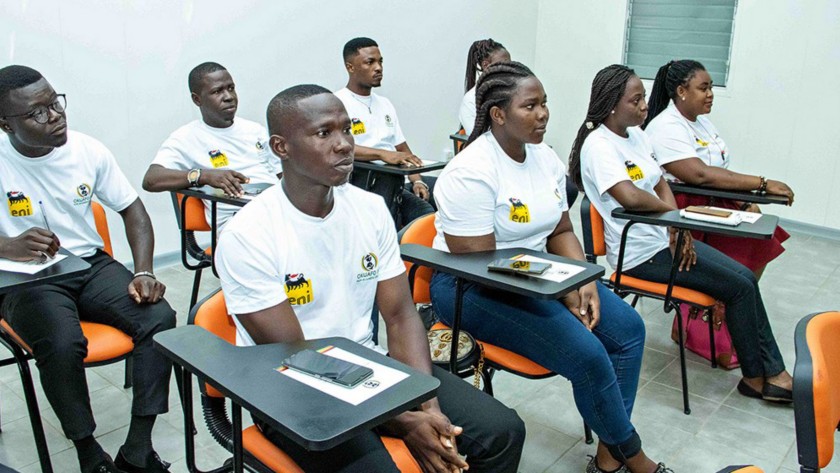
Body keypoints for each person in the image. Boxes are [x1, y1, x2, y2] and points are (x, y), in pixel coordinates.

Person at [215, 84, 525, 473]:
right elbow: (298, 361)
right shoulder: (248, 234)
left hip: (369, 365)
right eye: (324, 133)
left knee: (504, 431)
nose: (344, 144)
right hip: (291, 392)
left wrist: (426, 403)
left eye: (347, 129)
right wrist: (404, 421)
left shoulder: (369, 209)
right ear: (281, 147)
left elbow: (399, 315)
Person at [430, 61, 670, 473]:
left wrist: (583, 279)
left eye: (545, 104)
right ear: (498, 114)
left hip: (540, 277)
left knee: (629, 330)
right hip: (471, 288)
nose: (543, 114)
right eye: (530, 106)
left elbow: (561, 229)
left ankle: (609, 456)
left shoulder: (545, 158)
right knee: (589, 354)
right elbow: (483, 262)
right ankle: (634, 454)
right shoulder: (470, 171)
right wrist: (562, 288)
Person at [567, 64, 793, 406]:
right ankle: (764, 376)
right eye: (636, 100)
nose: (645, 106)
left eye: (644, 97)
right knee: (738, 287)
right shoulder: (599, 146)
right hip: (638, 256)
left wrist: (676, 225)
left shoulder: (637, 135)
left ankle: (761, 376)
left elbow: (660, 182)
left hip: (663, 240)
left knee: (744, 278)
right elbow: (628, 196)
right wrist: (673, 219)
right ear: (612, 103)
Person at [0, 65, 176, 473]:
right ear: (5, 124)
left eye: (54, 103)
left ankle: (138, 447)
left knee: (160, 316)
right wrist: (8, 244)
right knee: (62, 344)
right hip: (23, 278)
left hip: (87, 265)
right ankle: (87, 452)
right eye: (37, 113)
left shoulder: (87, 150)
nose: (55, 116)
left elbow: (133, 209)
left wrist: (144, 271)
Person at [643, 59, 794, 279]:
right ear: (681, 91)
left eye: (711, 87)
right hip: (686, 207)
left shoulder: (702, 122)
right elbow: (700, 174)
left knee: (761, 238)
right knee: (747, 252)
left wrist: (745, 200)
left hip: (713, 199)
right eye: (703, 88)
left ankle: (727, 303)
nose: (711, 93)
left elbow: (720, 170)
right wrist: (762, 183)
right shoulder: (666, 126)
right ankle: (720, 303)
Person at [142, 62, 282, 227]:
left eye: (231, 88)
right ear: (197, 99)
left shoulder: (255, 130)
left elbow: (282, 175)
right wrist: (204, 176)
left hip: (276, 211)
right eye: (217, 91)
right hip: (237, 222)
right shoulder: (186, 138)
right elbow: (151, 180)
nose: (229, 96)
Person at [335, 37, 434, 228]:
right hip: (362, 184)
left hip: (393, 180)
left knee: (434, 202)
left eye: (380, 61)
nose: (378, 67)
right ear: (350, 67)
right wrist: (383, 154)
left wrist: (417, 181)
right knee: (422, 215)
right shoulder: (336, 103)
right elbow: (339, 148)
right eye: (370, 62)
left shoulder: (385, 104)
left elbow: (402, 149)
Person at [458, 38, 510, 136]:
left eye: (510, 64)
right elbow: (479, 139)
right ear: (486, 65)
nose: (508, 69)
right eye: (503, 64)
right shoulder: (470, 101)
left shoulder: (511, 91)